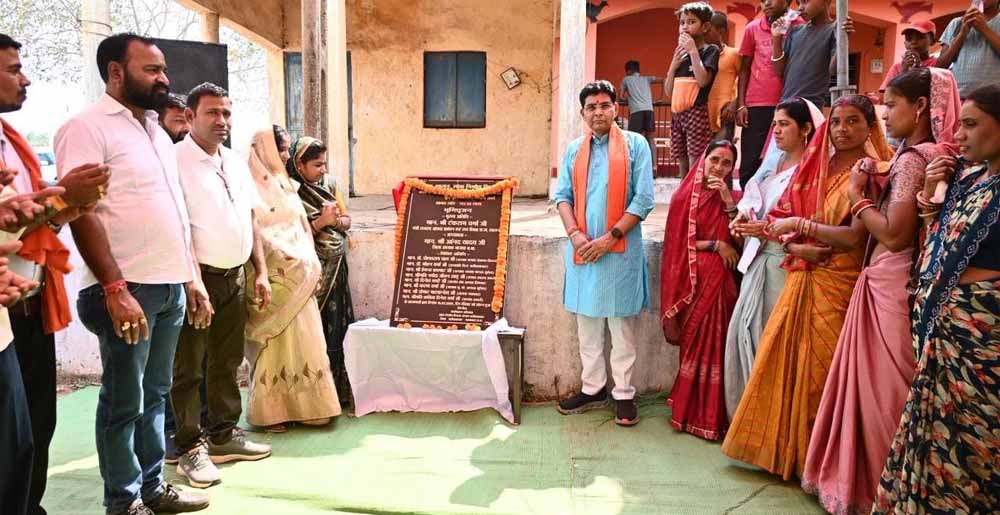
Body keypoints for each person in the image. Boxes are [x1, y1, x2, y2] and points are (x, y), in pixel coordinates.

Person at [53, 33, 209, 515]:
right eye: (152, 70)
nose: (164, 78)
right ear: (116, 72)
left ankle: (152, 488)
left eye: (163, 69)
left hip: (169, 286)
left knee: (156, 395)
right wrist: (115, 287)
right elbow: (81, 211)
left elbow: (174, 211)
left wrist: (191, 278)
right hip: (126, 289)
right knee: (125, 401)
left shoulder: (158, 132)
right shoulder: (86, 127)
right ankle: (123, 501)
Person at [801, 73, 961, 515]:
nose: (886, 116)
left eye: (891, 105)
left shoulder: (912, 160)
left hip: (892, 279)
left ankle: (877, 486)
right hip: (905, 279)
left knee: (883, 392)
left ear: (921, 106)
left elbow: (893, 234)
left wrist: (857, 197)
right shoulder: (936, 155)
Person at [720, 93, 894, 480]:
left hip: (839, 280)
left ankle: (819, 463)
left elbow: (854, 237)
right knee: (783, 362)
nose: (842, 130)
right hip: (801, 272)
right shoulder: (818, 165)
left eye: (853, 122)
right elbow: (787, 216)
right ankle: (788, 455)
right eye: (837, 122)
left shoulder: (871, 173)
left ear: (871, 128)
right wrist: (787, 240)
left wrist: (800, 228)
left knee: (822, 372)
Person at [872, 84, 1000, 514]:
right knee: (931, 448)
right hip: (942, 344)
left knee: (976, 456)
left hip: (982, 353)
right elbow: (938, 243)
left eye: (971, 124)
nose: (958, 135)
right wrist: (931, 191)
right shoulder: (970, 181)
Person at [1, 32, 113, 515]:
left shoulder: (12, 141)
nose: (25, 79)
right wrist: (60, 195)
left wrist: (65, 207)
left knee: (35, 427)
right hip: (7, 308)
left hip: (28, 304)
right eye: (13, 69)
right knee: (10, 441)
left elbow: (28, 220)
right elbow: (12, 217)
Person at [172, 83, 273, 489]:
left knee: (227, 361)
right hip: (197, 281)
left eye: (227, 113)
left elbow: (250, 219)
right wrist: (193, 282)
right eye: (212, 112)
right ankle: (188, 447)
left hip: (235, 276)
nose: (222, 121)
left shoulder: (234, 161)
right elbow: (177, 228)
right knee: (188, 367)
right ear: (190, 116)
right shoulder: (174, 160)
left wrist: (260, 271)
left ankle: (223, 435)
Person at [552, 80, 654, 426]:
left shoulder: (636, 145)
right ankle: (593, 388)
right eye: (591, 107)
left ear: (615, 109)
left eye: (604, 105)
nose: (598, 112)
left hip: (620, 251)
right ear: (583, 113)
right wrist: (575, 235)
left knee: (621, 327)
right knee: (588, 326)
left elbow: (644, 199)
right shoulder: (573, 150)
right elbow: (562, 196)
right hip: (582, 251)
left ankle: (623, 393)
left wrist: (609, 239)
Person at [723, 97, 824, 421]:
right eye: (775, 124)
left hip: (786, 266)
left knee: (773, 343)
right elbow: (754, 204)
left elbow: (810, 221)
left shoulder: (811, 171)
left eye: (784, 124)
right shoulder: (773, 164)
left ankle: (771, 422)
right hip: (758, 262)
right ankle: (747, 420)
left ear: (806, 129)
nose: (776, 130)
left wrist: (766, 230)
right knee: (745, 335)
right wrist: (743, 221)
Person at [245, 129, 341, 431]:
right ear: (266, 150)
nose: (286, 156)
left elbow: (298, 228)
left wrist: (306, 260)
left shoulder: (284, 184)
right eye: (282, 150)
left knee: (307, 342)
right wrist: (292, 260)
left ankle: (311, 409)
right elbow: (260, 231)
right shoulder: (251, 186)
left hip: (300, 276)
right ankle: (271, 413)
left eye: (287, 149)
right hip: (275, 278)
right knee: (276, 346)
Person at [660, 140, 741, 440]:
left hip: (723, 286)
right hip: (693, 285)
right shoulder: (683, 197)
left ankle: (713, 417)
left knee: (718, 348)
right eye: (714, 160)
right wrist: (716, 245)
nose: (719, 167)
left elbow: (743, 242)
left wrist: (728, 201)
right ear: (703, 161)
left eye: (726, 163)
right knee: (694, 345)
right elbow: (677, 242)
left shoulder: (735, 199)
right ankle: (687, 411)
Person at [285, 137, 355, 404]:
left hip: (335, 266)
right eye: (317, 165)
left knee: (336, 327)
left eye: (324, 163)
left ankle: (337, 393)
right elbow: (290, 236)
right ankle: (310, 397)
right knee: (311, 330)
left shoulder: (331, 184)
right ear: (299, 165)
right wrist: (321, 222)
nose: (323, 169)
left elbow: (347, 220)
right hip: (307, 271)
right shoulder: (290, 191)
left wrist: (334, 222)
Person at [735, 0, 804, 188]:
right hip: (757, 103)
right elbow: (744, 68)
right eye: (763, 0)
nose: (767, 3)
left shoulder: (800, 26)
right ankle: (748, 203)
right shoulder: (752, 28)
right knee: (750, 162)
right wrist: (741, 104)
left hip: (789, 102)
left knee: (783, 159)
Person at [664, 2, 720, 176]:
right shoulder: (680, 55)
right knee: (681, 162)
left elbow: (703, 81)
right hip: (677, 114)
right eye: (682, 22)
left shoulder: (710, 50)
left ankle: (694, 191)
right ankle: (683, 190)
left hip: (696, 112)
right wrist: (673, 66)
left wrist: (693, 51)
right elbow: (668, 91)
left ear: (705, 27)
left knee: (695, 161)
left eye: (691, 22)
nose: (685, 26)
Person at [771, 0, 854, 107]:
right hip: (786, 102)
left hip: (812, 104)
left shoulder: (834, 29)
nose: (800, 8)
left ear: (825, 2)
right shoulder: (795, 31)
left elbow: (833, 70)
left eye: (805, 1)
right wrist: (776, 38)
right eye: (799, 3)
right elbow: (779, 70)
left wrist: (843, 39)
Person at [937, 0, 1000, 98]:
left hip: (994, 98)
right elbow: (940, 67)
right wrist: (962, 33)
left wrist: (984, 29)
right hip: (959, 96)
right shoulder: (956, 23)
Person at [878, 21, 939, 95]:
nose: (913, 42)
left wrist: (916, 70)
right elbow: (885, 96)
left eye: (920, 37)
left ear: (933, 41)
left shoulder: (938, 64)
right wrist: (904, 72)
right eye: (909, 39)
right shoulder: (898, 67)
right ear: (905, 44)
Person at [706, 12, 739, 141]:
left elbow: (745, 81)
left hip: (725, 113)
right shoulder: (699, 56)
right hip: (702, 115)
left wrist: (734, 104)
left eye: (708, 29)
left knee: (722, 150)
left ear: (721, 31)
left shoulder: (733, 54)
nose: (704, 32)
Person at [620, 60, 661, 155]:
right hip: (649, 110)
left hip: (636, 111)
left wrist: (629, 100)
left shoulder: (626, 79)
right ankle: (654, 163)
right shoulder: (646, 79)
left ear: (628, 71)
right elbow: (663, 80)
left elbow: (621, 97)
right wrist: (660, 97)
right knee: (651, 139)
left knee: (634, 138)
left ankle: (636, 161)